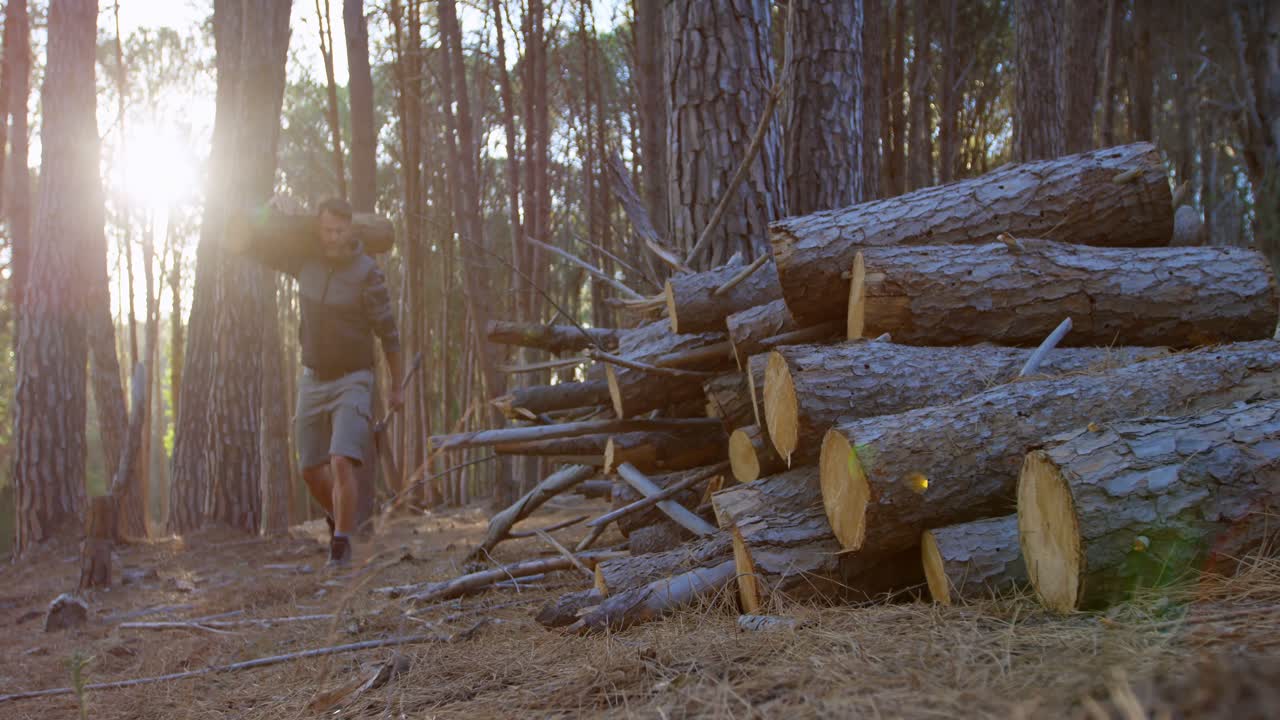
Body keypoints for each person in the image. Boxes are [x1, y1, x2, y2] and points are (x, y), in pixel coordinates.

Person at [232, 197, 403, 567]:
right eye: (326, 230)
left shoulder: (366, 273)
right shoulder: (304, 261)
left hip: (354, 378)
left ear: (352, 230)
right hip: (312, 379)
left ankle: (340, 547)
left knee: (341, 460)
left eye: (340, 230)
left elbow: (389, 333)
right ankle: (339, 517)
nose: (332, 237)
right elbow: (265, 250)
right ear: (317, 229)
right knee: (310, 469)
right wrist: (260, 219)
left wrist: (397, 384)